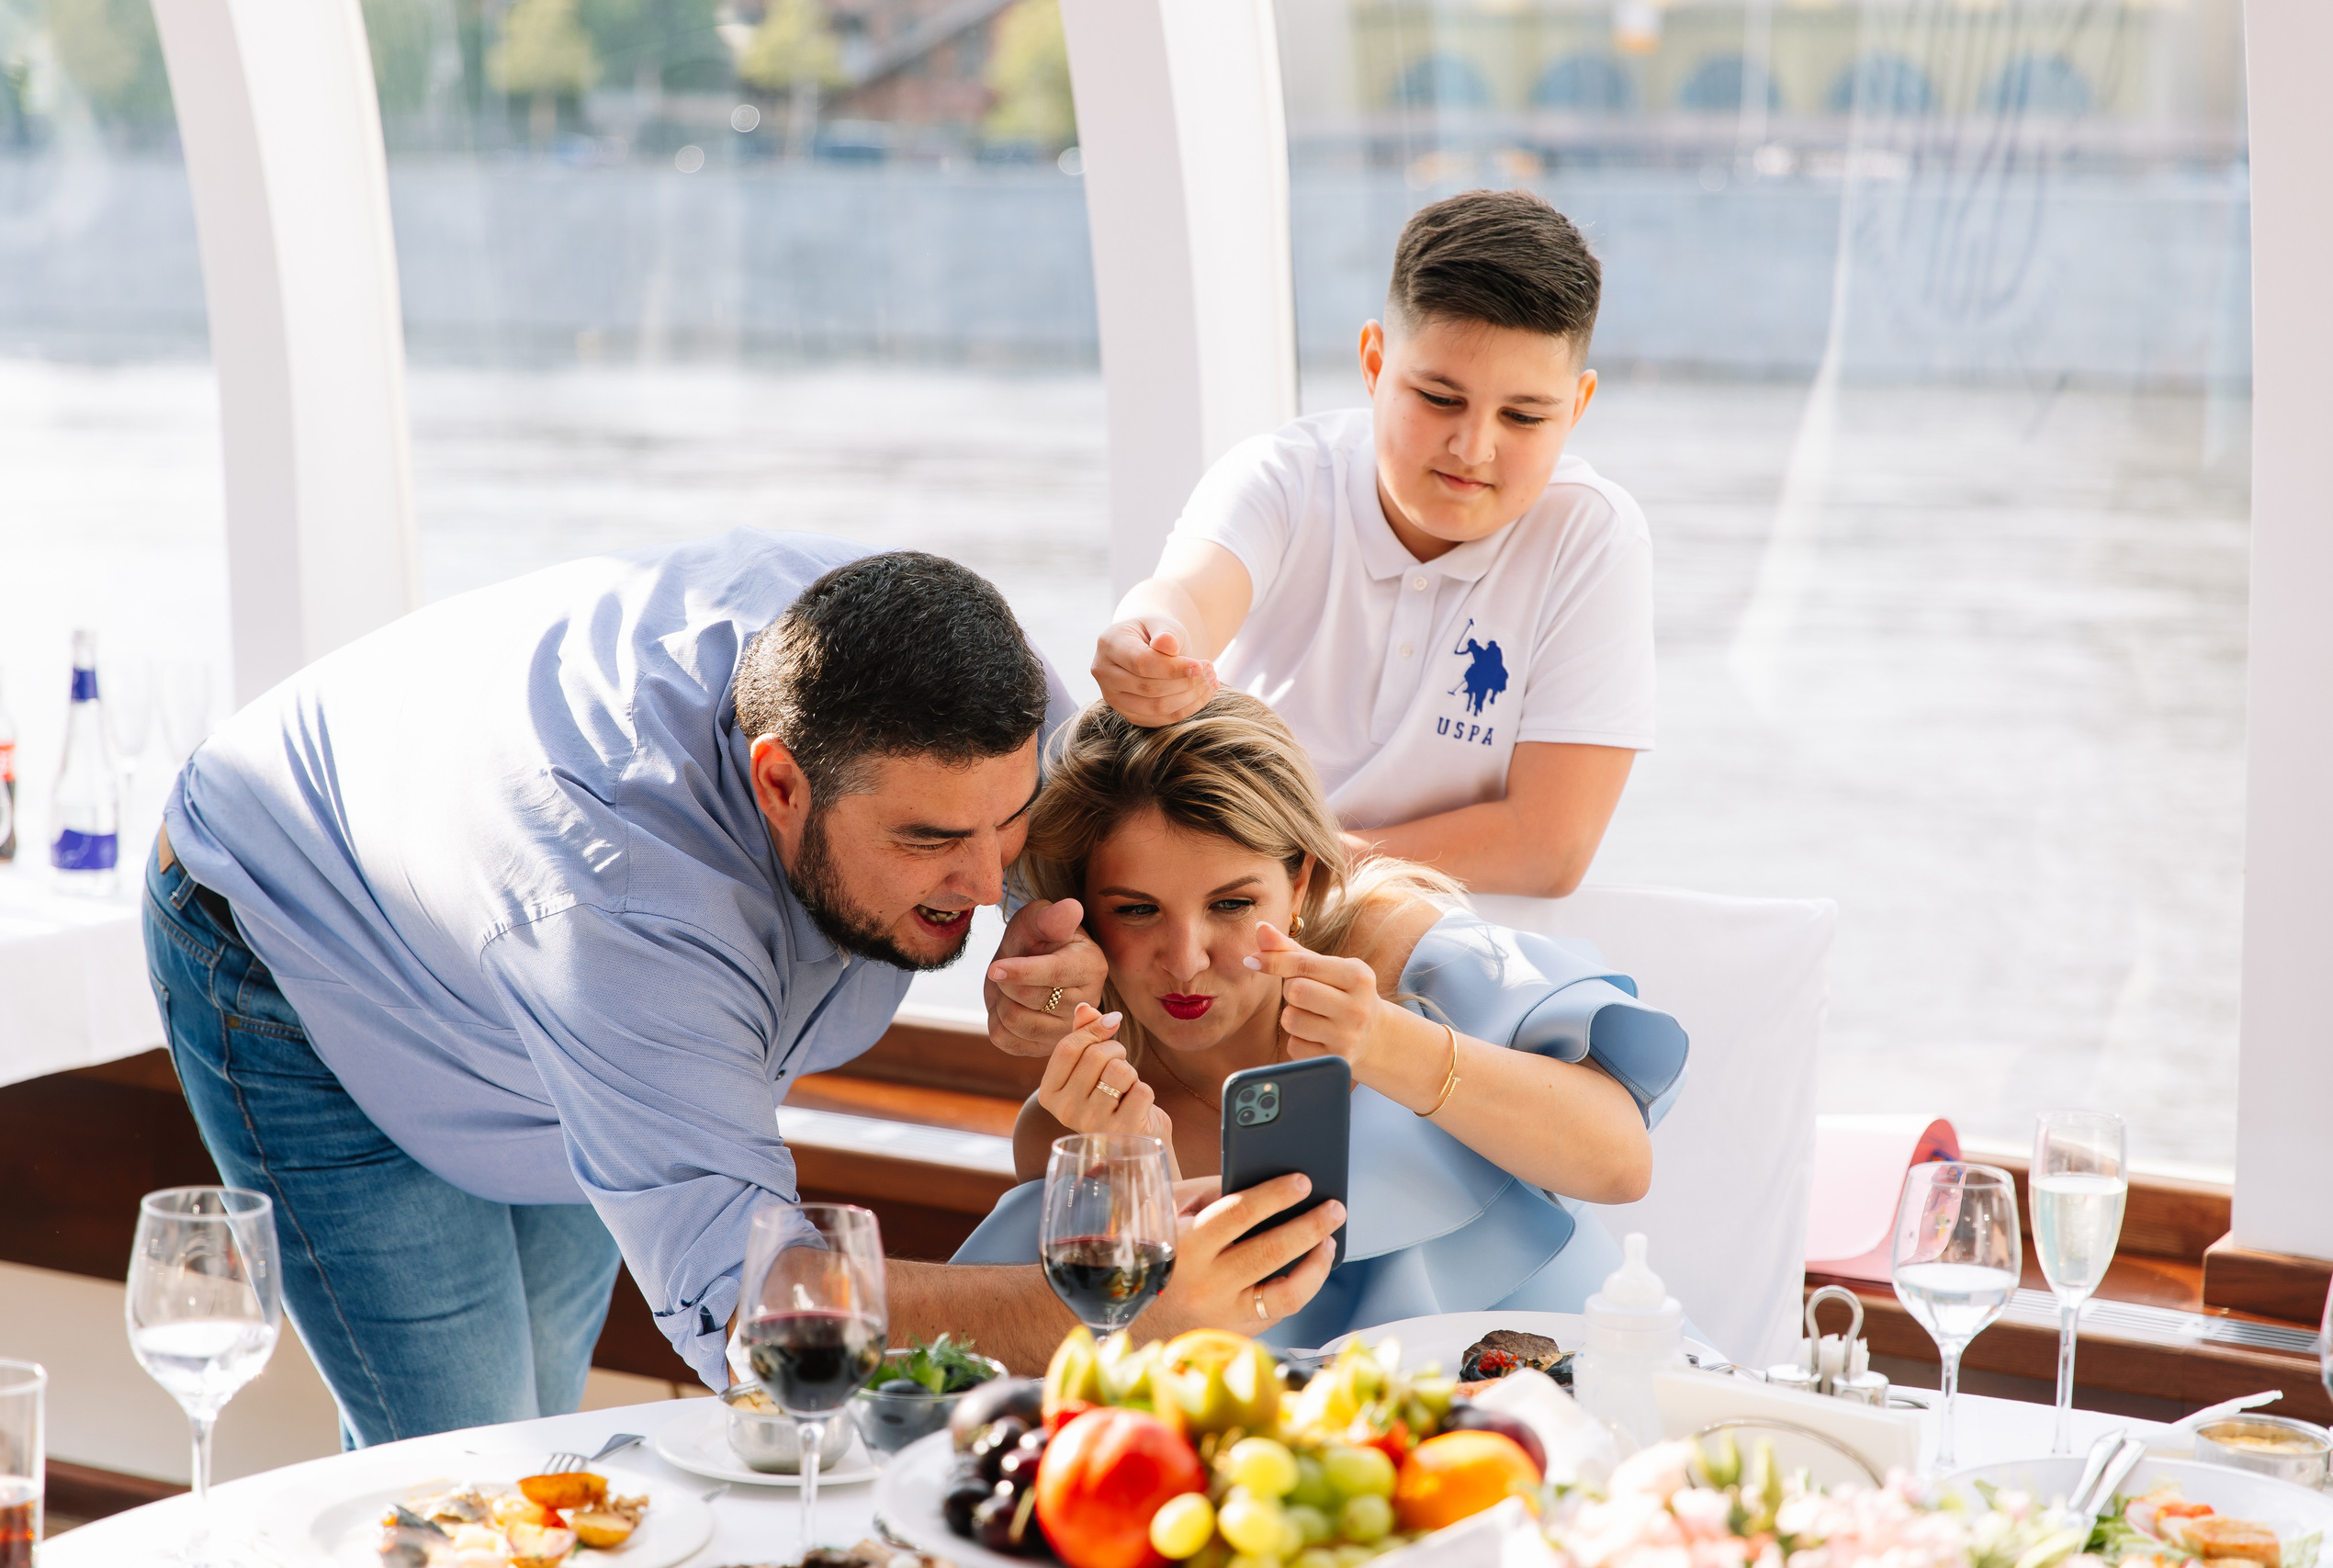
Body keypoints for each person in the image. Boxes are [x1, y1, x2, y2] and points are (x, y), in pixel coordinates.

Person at [144, 534, 1340, 1444]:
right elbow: (754, 1318)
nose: (986, 882)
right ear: (780, 784)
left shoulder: (963, 686)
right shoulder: (624, 920)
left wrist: (1046, 919)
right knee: (469, 1452)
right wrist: (1124, 1309)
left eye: (1009, 823)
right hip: (293, 939)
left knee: (546, 1419)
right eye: (932, 841)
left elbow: (1124, 838)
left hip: (510, 918)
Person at [951, 693, 1689, 1346]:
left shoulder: (1397, 948)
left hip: (1588, 1377)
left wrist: (1385, 1042)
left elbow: (1622, 1163)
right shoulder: (1086, 1111)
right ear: (1086, 905)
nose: (1185, 959)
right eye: (1138, 910)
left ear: (1300, 877)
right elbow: (1169, 1354)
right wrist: (1144, 1173)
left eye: (1231, 904)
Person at [1090, 188, 1654, 897]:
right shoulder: (1284, 477)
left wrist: (1296, 872)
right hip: (1233, 927)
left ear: (1577, 407)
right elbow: (1187, 596)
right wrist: (1148, 638)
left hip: (1405, 935)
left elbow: (1549, 846)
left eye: (1523, 416)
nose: (1473, 447)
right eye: (1440, 398)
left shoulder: (1592, 536)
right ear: (1374, 361)